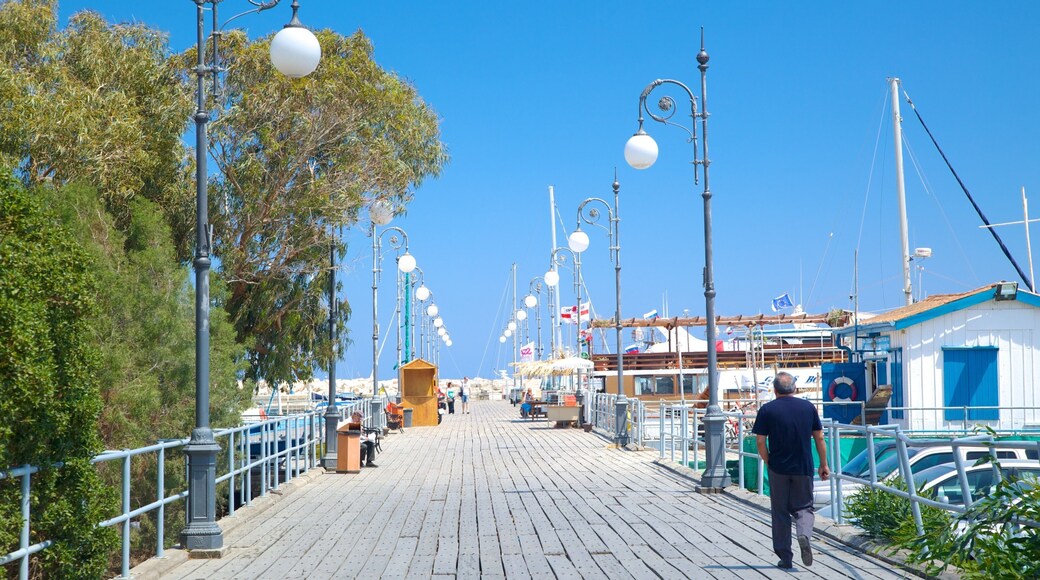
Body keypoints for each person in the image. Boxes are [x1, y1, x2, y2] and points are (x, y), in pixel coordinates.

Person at [751, 371, 830, 570]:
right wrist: (823, 464)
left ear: (775, 389)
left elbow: (760, 441)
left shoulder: (767, 410)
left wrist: (768, 461)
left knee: (780, 512)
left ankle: (785, 557)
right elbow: (819, 438)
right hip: (803, 466)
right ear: (794, 388)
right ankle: (803, 533)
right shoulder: (808, 407)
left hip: (778, 467)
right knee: (804, 507)